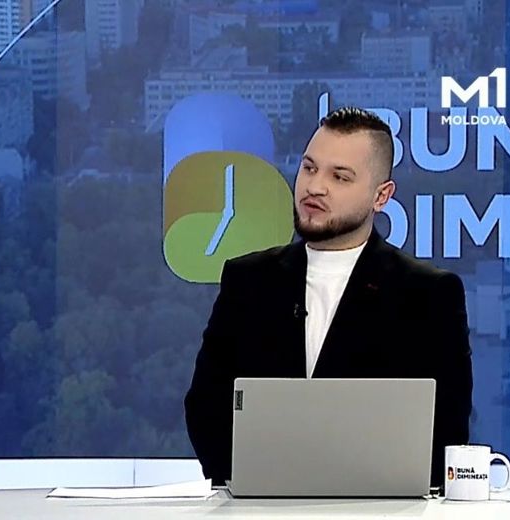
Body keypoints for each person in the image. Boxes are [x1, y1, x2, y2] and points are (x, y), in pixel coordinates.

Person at [184, 107, 473, 488]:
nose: (315, 187)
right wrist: (254, 484)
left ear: (381, 196)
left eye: (339, 176)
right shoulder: (248, 281)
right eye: (309, 168)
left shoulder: (427, 294)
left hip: (382, 514)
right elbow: (206, 406)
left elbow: (447, 427)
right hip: (257, 508)